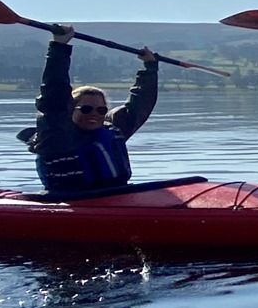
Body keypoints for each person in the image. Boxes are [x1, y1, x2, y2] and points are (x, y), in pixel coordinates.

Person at [22, 25, 159, 193]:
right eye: (86, 109)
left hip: (118, 195)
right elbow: (54, 94)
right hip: (72, 201)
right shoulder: (56, 136)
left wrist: (150, 68)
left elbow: (140, 105)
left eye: (101, 110)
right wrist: (59, 47)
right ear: (71, 110)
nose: (94, 114)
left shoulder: (113, 130)